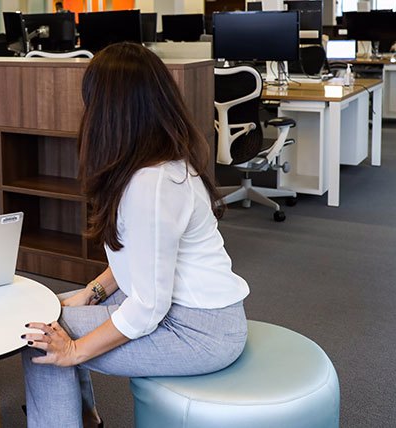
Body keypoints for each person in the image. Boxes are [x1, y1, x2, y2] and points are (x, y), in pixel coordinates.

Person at [20, 42, 250, 428]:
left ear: (109, 110)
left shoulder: (151, 184)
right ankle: (83, 418)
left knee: (40, 334)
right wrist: (88, 294)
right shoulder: (154, 165)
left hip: (198, 331)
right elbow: (141, 257)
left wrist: (74, 350)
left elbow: (147, 308)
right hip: (184, 311)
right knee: (52, 307)